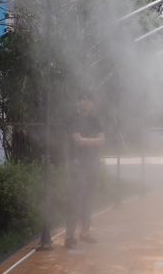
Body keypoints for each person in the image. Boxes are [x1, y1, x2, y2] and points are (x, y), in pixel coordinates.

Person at [64, 90, 105, 247]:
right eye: (83, 99)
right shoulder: (72, 119)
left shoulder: (95, 120)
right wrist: (94, 141)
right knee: (76, 198)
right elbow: (77, 140)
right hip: (78, 163)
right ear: (78, 101)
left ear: (92, 103)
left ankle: (85, 233)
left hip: (92, 163)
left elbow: (103, 140)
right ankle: (69, 236)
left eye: (89, 100)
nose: (86, 102)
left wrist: (88, 141)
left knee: (89, 198)